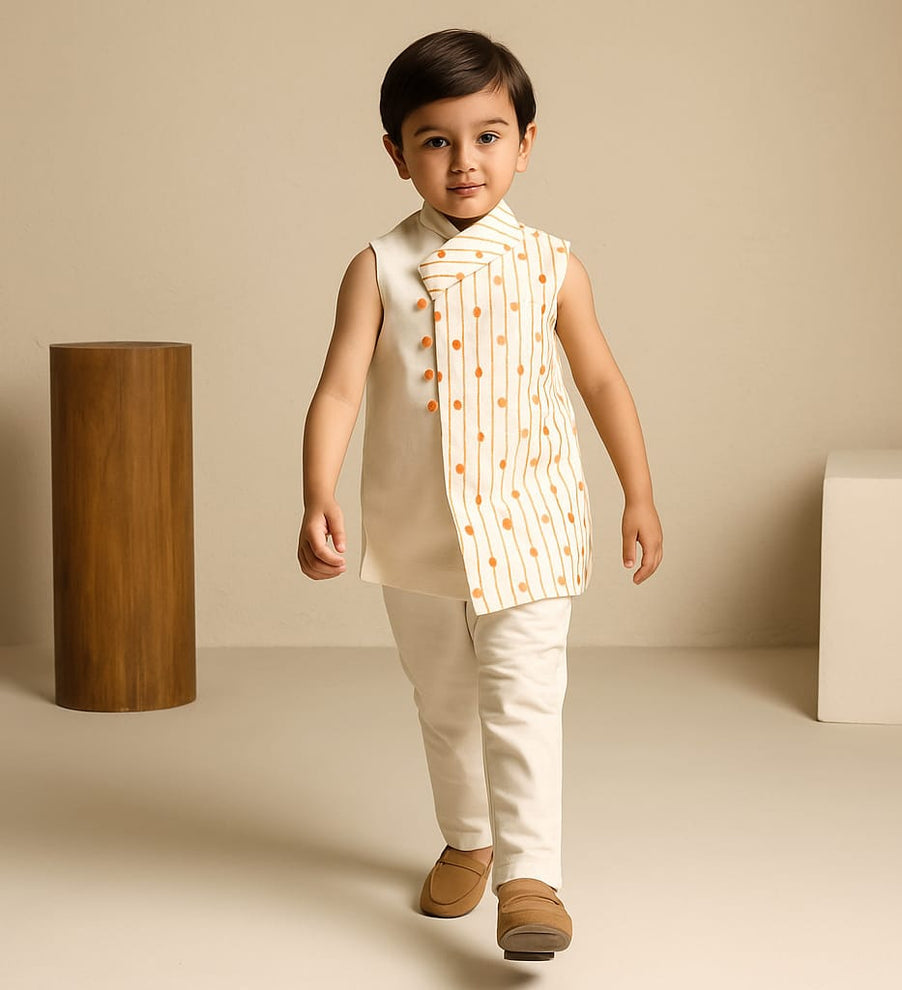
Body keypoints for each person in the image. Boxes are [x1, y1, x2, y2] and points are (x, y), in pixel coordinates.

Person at [297, 27, 663, 961]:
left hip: (530, 518)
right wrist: (316, 492)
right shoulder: (379, 267)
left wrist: (638, 492)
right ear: (398, 153)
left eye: (489, 136)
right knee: (445, 700)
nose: (465, 161)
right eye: (437, 140)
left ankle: (530, 880)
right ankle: (468, 838)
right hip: (417, 528)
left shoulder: (552, 264)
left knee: (524, 696)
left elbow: (601, 381)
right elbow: (338, 389)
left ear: (525, 143)